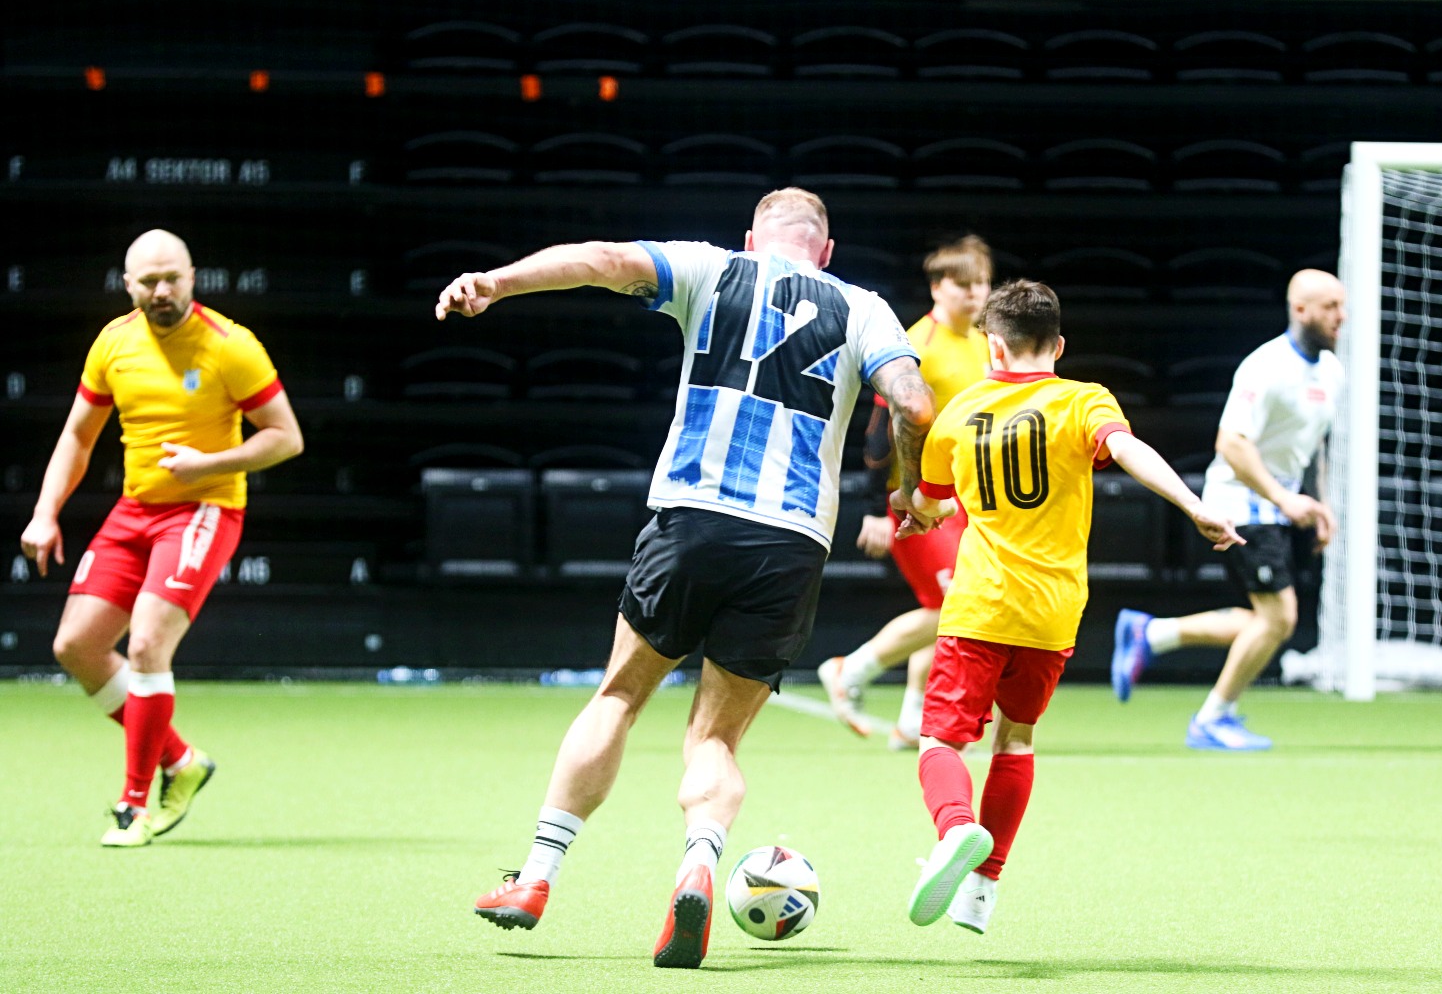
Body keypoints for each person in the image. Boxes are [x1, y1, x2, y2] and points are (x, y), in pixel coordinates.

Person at [433, 188, 939, 969]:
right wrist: (909, 490)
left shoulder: (710, 268)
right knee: (715, 738)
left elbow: (602, 260)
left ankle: (534, 878)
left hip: (693, 516)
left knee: (619, 695)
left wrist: (496, 283)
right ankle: (699, 862)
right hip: (791, 541)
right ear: (827, 251)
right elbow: (914, 403)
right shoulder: (865, 308)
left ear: (752, 238)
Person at [895, 279, 1242, 935]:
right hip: (1053, 612)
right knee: (1016, 738)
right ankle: (982, 891)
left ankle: (956, 828)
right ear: (1057, 346)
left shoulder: (959, 412)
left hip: (980, 606)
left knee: (941, 738)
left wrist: (913, 513)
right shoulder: (1084, 400)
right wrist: (1193, 504)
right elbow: (1128, 449)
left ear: (993, 346)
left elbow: (931, 503)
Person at [19, 229, 303, 847]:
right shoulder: (113, 343)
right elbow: (78, 436)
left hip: (204, 509)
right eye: (149, 281)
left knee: (147, 644)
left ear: (192, 276)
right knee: (76, 646)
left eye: (173, 277)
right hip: (135, 510)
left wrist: (208, 465)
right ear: (128, 285)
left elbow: (286, 437)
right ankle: (181, 761)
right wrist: (45, 513)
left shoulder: (231, 345)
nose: (162, 290)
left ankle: (133, 806)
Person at [1111, 269, 1345, 752]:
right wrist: (1284, 499)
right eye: (1330, 307)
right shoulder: (1266, 366)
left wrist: (1321, 505)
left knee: (1266, 619)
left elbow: (1310, 448)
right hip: (1241, 504)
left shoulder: (1332, 372)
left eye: (1342, 306)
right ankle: (1211, 718)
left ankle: (1152, 633)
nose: (1341, 317)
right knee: (1279, 618)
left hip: (1276, 508)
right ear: (1300, 309)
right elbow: (1232, 444)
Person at [818, 235, 993, 749]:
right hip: (916, 499)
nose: (976, 293)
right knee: (954, 604)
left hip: (963, 501)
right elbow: (880, 431)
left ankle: (913, 721)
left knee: (945, 606)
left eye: (983, 283)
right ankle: (851, 669)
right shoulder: (919, 345)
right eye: (964, 284)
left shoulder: (983, 342)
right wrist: (875, 507)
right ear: (937, 287)